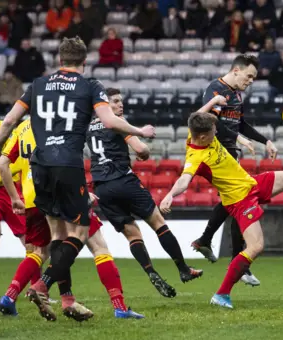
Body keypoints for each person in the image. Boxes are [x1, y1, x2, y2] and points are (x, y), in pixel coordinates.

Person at [0, 36, 155, 322]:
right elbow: (109, 122)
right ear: (84, 61)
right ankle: (45, 285)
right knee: (82, 235)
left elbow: (8, 121)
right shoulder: (90, 85)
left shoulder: (38, 85)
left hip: (39, 169)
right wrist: (140, 131)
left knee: (57, 236)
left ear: (59, 59)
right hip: (68, 165)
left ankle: (65, 298)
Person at [160, 112, 283, 309]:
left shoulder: (197, 131)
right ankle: (221, 294)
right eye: (214, 132)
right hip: (239, 200)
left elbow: (198, 116)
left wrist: (214, 104)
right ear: (202, 137)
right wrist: (170, 195)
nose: (217, 133)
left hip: (250, 183)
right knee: (256, 247)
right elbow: (184, 180)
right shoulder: (196, 157)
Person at [0, 119, 144, 319]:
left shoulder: (22, 128)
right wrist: (81, 192)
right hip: (64, 189)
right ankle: (119, 307)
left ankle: (12, 297)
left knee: (41, 250)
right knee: (98, 246)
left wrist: (15, 197)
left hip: (34, 196)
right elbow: (66, 159)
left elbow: (3, 164)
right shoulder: (58, 120)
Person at [86, 88, 202, 299]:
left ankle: (151, 272)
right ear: (104, 105)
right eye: (115, 101)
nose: (120, 105)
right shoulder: (117, 122)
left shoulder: (88, 128)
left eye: (121, 101)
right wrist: (144, 153)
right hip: (123, 180)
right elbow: (140, 148)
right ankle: (183, 269)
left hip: (102, 187)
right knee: (158, 223)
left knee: (132, 234)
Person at [189, 54, 279, 287]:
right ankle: (239, 263)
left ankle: (210, 243)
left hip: (231, 154)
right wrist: (238, 137)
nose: (251, 81)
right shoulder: (216, 89)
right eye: (249, 76)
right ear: (236, 70)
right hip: (216, 154)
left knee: (237, 204)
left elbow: (241, 123)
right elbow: (210, 122)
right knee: (243, 201)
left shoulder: (237, 94)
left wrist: (265, 141)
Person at [0, 120, 26, 249]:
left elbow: (17, 162)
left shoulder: (5, 127)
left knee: (31, 241)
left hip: (10, 187)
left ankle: (35, 268)